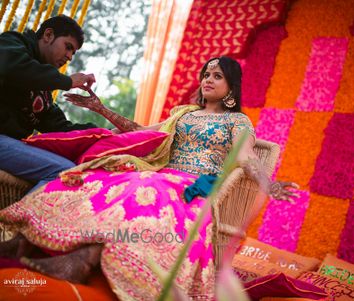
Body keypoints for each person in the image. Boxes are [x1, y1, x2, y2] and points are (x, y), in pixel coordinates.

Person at [0, 56, 298, 300]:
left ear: (232, 87)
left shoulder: (237, 121)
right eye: (206, 74)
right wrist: (100, 109)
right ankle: (24, 241)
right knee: (96, 178)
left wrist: (268, 183)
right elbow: (142, 132)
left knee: (147, 186)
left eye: (217, 76)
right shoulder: (183, 114)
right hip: (159, 173)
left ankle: (84, 260)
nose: (208, 79)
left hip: (194, 185)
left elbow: (246, 156)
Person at [0, 15, 97, 191]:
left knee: (74, 170)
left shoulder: (43, 90)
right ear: (48, 35)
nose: (69, 57)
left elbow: (62, 128)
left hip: (7, 144)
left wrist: (105, 132)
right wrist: (67, 82)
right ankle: (14, 219)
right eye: (68, 47)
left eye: (73, 53)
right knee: (65, 171)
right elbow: (12, 67)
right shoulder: (11, 43)